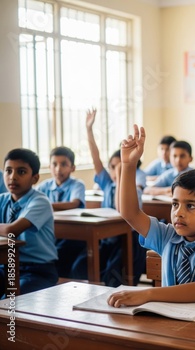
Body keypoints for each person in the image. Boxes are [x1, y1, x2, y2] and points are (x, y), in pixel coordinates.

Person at [107, 125, 195, 306]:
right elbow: (130, 213)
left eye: (190, 206)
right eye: (175, 204)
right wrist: (129, 165)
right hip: (171, 320)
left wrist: (149, 293)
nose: (179, 213)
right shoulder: (168, 236)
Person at [72, 108, 145, 286]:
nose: (115, 170)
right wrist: (89, 130)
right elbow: (96, 157)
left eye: (119, 166)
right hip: (108, 238)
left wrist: (122, 173)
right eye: (113, 167)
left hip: (128, 240)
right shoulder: (106, 183)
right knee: (79, 265)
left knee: (113, 276)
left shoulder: (134, 189)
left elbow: (123, 211)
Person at [0, 148, 58, 296]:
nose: (12, 177)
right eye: (8, 171)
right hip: (6, 267)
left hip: (38, 270)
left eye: (21, 172)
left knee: (9, 302)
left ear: (35, 178)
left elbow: (11, 231)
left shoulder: (40, 201)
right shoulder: (2, 199)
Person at [37, 146, 86, 278]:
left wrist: (45, 205)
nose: (58, 169)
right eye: (54, 164)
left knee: (60, 253)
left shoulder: (77, 184)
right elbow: (33, 203)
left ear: (72, 168)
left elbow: (74, 204)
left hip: (73, 235)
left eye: (64, 164)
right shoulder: (44, 186)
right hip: (51, 232)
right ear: (49, 166)